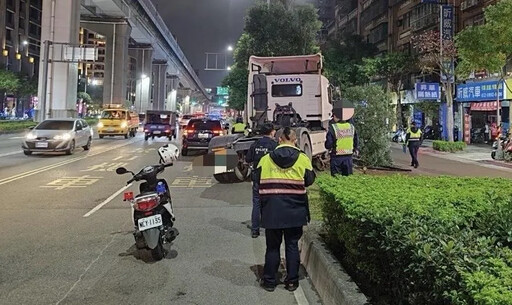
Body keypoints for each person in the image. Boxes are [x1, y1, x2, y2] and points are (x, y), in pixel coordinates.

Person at [256, 127, 316, 292]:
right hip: (295, 209)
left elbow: (256, 180)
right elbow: (309, 180)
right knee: (291, 245)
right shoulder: (303, 159)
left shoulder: (266, 159)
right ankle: (292, 282)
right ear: (295, 140)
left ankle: (269, 281)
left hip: (272, 209)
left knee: (273, 247)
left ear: (279, 139)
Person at [245, 123, 277, 238]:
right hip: (271, 179)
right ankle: (270, 227)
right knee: (270, 203)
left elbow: (248, 159)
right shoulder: (275, 145)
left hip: (258, 178)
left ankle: (255, 230)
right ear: (272, 132)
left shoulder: (255, 144)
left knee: (257, 203)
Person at [325, 105, 358, 176]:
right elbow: (356, 140)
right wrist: (355, 149)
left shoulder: (333, 128)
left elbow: (328, 144)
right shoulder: (351, 127)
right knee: (347, 179)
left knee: (336, 179)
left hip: (336, 157)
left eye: (333, 116)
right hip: (348, 157)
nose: (333, 118)